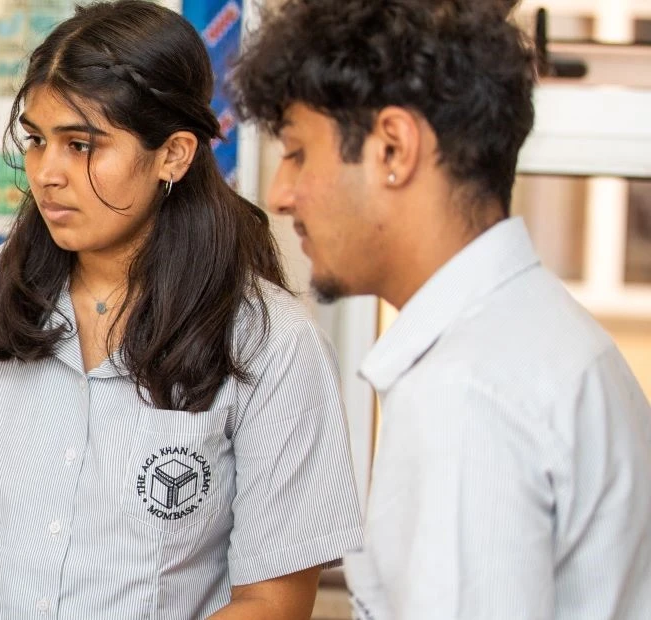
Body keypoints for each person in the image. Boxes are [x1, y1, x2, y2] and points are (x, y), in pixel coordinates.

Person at [0, 2, 362, 618]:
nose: (47, 174)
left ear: (173, 155)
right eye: (35, 140)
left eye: (82, 145)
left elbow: (272, 601)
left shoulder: (272, 344)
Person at [232, 1, 651, 617]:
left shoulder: (466, 390)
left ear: (394, 149)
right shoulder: (540, 334)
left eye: (297, 152)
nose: (281, 193)